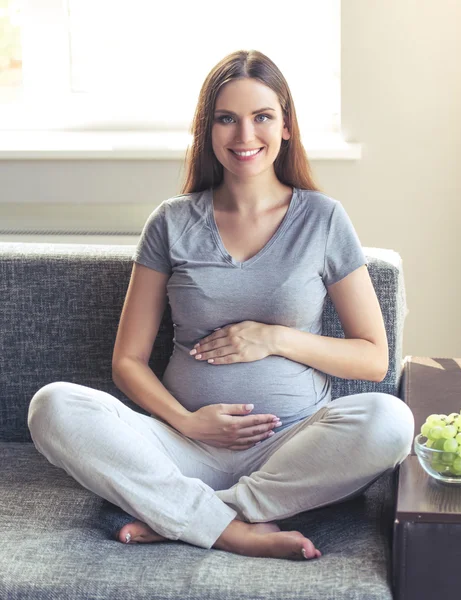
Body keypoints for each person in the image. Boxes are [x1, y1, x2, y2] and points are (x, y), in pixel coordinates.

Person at [27, 49, 415, 561]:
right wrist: (187, 423)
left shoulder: (323, 219)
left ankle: (194, 514)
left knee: (390, 420)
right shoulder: (171, 222)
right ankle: (231, 528)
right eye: (226, 119)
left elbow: (373, 358)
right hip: (180, 446)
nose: (244, 136)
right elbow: (128, 362)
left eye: (262, 117)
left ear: (286, 127)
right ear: (208, 131)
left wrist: (274, 337)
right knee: (52, 405)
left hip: (293, 448)